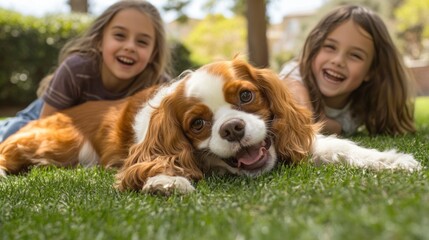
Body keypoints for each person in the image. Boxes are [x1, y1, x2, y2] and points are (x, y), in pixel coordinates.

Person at [0, 0, 171, 142]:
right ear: (99, 41)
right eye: (119, 36)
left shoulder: (159, 88)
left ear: (153, 53)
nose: (129, 47)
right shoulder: (77, 69)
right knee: (14, 134)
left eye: (142, 42)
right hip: (44, 114)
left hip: (88, 130)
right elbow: (43, 128)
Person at [279, 5, 416, 136]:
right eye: (330, 47)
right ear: (315, 49)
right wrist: (326, 123)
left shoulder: (361, 107)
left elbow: (333, 127)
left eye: (355, 55)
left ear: (371, 71)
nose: (338, 61)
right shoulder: (295, 74)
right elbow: (303, 116)